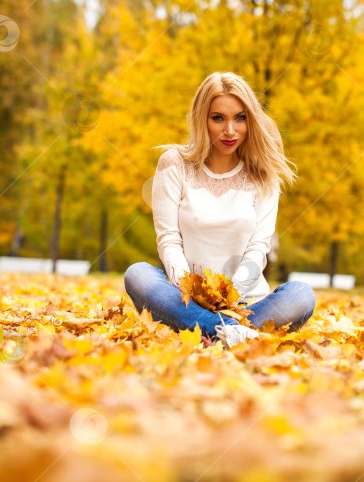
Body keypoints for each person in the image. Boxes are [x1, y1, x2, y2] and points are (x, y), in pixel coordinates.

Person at [124, 71, 316, 349]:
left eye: (240, 117)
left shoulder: (262, 175)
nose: (230, 130)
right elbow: (169, 241)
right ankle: (228, 332)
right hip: (186, 299)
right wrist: (193, 292)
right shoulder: (174, 164)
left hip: (248, 305)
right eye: (218, 118)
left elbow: (258, 248)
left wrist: (230, 299)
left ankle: (212, 331)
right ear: (202, 118)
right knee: (138, 274)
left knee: (301, 294)